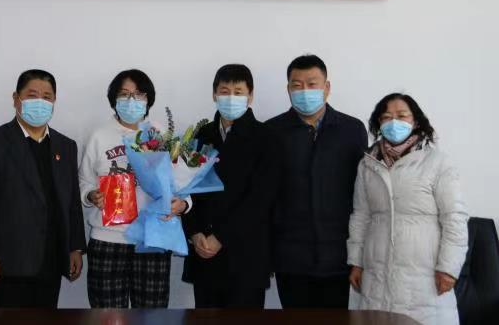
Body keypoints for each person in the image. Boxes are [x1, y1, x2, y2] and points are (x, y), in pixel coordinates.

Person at [348, 93, 468, 325]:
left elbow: (455, 218)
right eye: (386, 117)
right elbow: (360, 216)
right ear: (379, 123)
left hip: (424, 279)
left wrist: (449, 268)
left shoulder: (437, 162)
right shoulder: (368, 164)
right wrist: (356, 262)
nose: (394, 122)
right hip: (376, 275)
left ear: (416, 121)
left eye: (402, 116)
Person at [0, 69, 85, 308]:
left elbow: (72, 202)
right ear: (16, 99)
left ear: (54, 101)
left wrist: (75, 247)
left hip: (51, 258)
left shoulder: (66, 146)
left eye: (47, 96)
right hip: (7, 261)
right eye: (32, 95)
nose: (40, 102)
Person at [79, 69, 189, 308]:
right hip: (108, 240)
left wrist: (183, 204)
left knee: (152, 316)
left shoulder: (162, 135)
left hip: (152, 239)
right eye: (124, 94)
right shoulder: (99, 136)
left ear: (148, 99)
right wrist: (90, 195)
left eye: (138, 94)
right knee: (107, 316)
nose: (131, 101)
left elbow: (182, 183)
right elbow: (84, 181)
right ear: (114, 99)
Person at [267, 54, 367, 309]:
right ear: (288, 90)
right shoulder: (271, 132)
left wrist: (359, 254)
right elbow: (265, 196)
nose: (305, 91)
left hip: (339, 256)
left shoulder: (352, 129)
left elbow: (362, 195)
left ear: (327, 87)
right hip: (290, 257)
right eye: (297, 85)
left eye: (312, 84)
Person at [181, 64, 281, 308]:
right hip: (204, 252)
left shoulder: (267, 137)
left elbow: (261, 199)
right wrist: (194, 233)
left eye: (238, 92)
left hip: (246, 257)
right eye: (224, 91)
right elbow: (185, 189)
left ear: (250, 96)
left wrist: (221, 237)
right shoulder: (200, 135)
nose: (230, 97)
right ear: (214, 94)